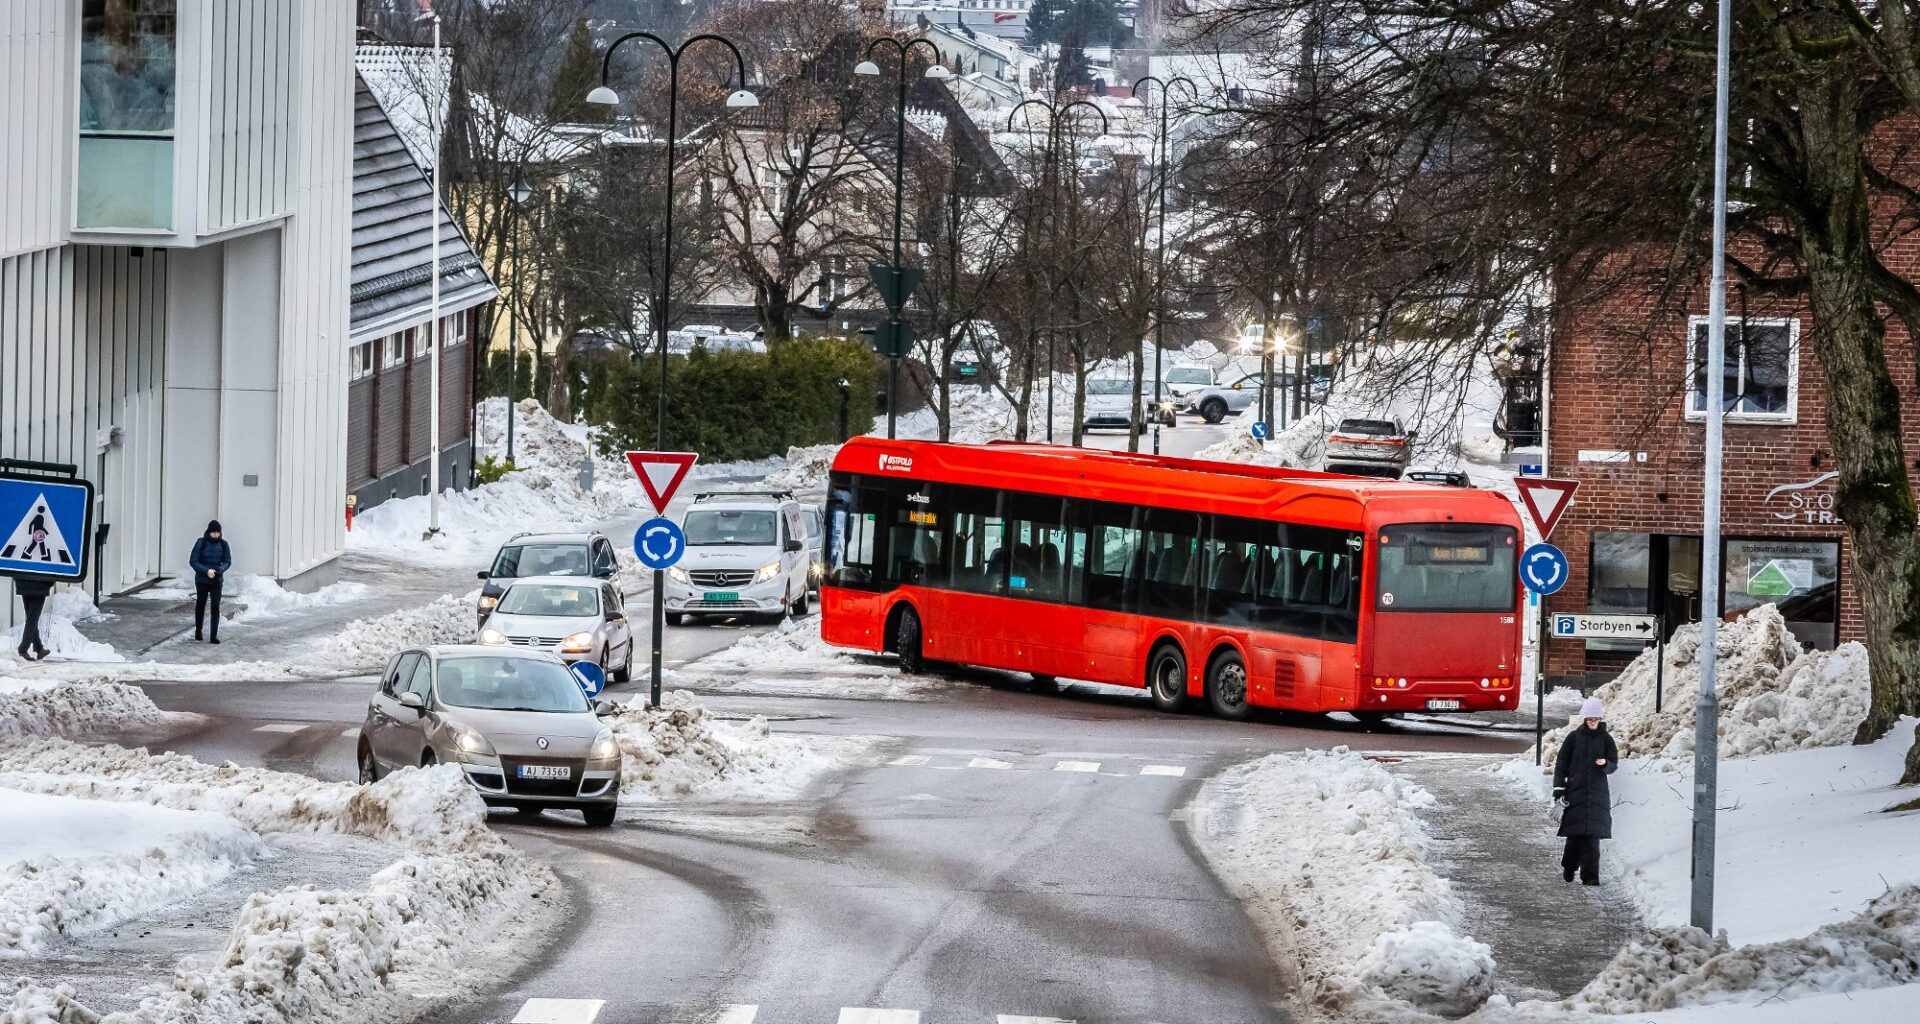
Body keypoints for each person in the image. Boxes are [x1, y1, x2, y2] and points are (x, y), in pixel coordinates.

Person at [1554, 696, 1621, 885]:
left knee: (1592, 839)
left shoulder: (1606, 739)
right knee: (1575, 836)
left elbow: (1613, 764)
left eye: (1596, 719)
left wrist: (1605, 764)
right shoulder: (1573, 738)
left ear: (1600, 719)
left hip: (1597, 794)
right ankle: (1569, 866)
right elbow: (1561, 763)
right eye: (1590, 719)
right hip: (1575, 792)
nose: (1593, 722)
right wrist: (1559, 788)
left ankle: (1590, 876)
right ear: (1585, 719)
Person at [189, 521, 231, 644]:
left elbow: (228, 561)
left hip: (216, 580)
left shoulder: (223, 544)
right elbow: (193, 561)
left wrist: (220, 570)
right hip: (202, 580)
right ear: (209, 532)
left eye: (218, 532)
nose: (216, 534)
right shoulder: (201, 543)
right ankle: (198, 630)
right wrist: (206, 571)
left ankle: (213, 636)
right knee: (200, 605)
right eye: (213, 532)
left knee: (215, 607)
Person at [12, 576, 52, 662]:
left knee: (31, 618)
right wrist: (49, 582)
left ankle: (39, 648)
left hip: (24, 584)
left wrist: (18, 580)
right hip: (40, 586)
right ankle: (23, 649)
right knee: (32, 619)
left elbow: (15, 570)